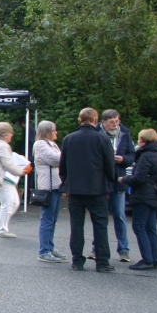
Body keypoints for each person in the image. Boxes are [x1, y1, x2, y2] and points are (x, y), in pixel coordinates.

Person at [60, 107, 116, 273]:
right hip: (97, 189)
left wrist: (67, 182)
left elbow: (63, 166)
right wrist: (109, 182)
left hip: (76, 189)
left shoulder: (68, 139)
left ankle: (77, 260)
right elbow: (109, 165)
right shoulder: (102, 139)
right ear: (95, 121)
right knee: (100, 226)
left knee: (76, 225)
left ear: (79, 120)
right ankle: (102, 262)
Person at [89, 109, 134, 262]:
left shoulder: (125, 135)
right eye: (112, 122)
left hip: (118, 180)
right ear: (103, 123)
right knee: (99, 216)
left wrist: (124, 159)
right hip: (100, 180)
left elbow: (132, 155)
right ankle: (96, 248)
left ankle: (123, 250)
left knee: (119, 216)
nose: (115, 124)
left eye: (117, 121)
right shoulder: (96, 134)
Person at [120, 129, 157, 270]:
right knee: (150, 228)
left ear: (144, 141)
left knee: (139, 226)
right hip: (154, 194)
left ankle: (147, 259)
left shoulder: (145, 156)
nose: (138, 142)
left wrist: (124, 179)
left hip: (143, 196)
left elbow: (139, 178)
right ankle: (153, 259)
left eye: (139, 139)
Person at [0, 122, 31, 238]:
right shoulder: (2, 146)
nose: (12, 135)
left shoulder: (0, 145)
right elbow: (8, 164)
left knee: (14, 203)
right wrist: (21, 171)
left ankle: (0, 223)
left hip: (5, 179)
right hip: (2, 179)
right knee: (7, 204)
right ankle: (2, 229)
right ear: (6, 134)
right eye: (11, 133)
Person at [32, 120, 66, 262]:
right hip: (48, 187)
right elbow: (56, 160)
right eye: (53, 130)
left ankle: (50, 247)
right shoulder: (40, 144)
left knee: (53, 219)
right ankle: (44, 251)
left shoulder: (52, 144)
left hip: (56, 185)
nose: (56, 133)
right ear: (47, 132)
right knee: (47, 219)